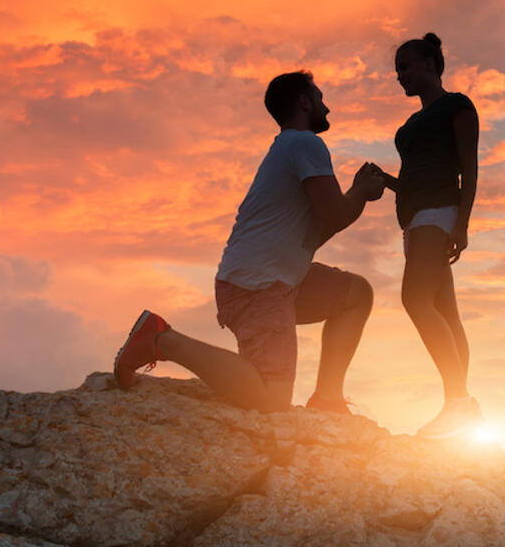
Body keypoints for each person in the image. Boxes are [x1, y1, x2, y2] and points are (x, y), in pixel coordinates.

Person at [113, 71, 387, 414]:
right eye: (320, 97)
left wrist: (357, 193)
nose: (327, 107)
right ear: (304, 101)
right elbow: (334, 215)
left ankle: (328, 399)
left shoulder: (290, 148)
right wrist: (362, 192)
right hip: (258, 286)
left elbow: (313, 236)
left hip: (274, 280)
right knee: (271, 401)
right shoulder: (305, 143)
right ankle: (159, 338)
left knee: (356, 295)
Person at [377, 33, 483, 437]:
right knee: (447, 314)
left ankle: (459, 403)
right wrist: (383, 179)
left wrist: (463, 223)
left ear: (429, 63)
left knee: (414, 299)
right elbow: (411, 182)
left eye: (405, 67)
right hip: (415, 219)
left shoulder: (457, 106)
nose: (399, 76)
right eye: (397, 70)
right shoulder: (407, 128)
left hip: (438, 215)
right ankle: (461, 406)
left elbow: (469, 169)